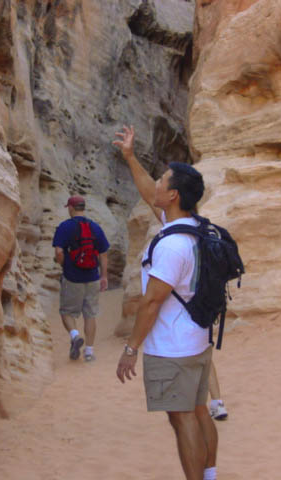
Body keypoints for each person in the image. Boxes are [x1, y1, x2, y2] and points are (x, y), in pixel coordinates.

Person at [113, 125, 218, 480]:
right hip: (196, 340)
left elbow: (151, 303)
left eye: (162, 181)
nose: (156, 183)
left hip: (173, 347)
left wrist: (131, 349)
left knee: (182, 417)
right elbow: (147, 193)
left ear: (172, 195)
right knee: (197, 410)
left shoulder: (172, 245)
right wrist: (129, 156)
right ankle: (210, 475)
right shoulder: (192, 225)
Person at [53, 195, 109, 362]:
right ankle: (89, 352)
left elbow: (58, 252)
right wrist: (104, 276)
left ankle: (75, 335)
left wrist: (65, 266)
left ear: (71, 207)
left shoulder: (64, 227)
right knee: (90, 314)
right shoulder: (95, 227)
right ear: (83, 207)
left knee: (67, 312)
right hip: (92, 277)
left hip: (72, 277)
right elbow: (104, 254)